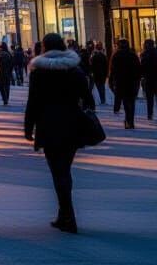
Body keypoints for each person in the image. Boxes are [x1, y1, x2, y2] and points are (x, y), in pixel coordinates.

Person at [24, 33, 93, 234]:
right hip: (72, 125)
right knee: (65, 169)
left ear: (44, 47)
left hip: (49, 126)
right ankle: (65, 215)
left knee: (58, 171)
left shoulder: (39, 72)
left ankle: (67, 216)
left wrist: (29, 128)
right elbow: (89, 99)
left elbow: (33, 103)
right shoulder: (75, 70)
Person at [110, 38, 142, 130]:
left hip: (121, 83)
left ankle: (128, 121)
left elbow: (112, 70)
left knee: (125, 102)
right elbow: (138, 69)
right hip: (131, 82)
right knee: (131, 102)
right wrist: (137, 80)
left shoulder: (116, 55)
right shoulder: (133, 55)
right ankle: (130, 121)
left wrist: (112, 82)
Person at [140, 38, 157, 121]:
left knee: (149, 99)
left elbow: (142, 67)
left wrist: (142, 76)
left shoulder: (144, 54)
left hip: (148, 79)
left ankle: (150, 114)